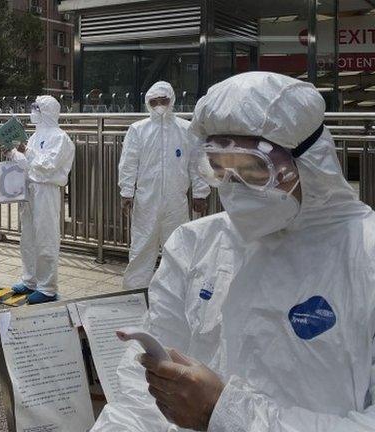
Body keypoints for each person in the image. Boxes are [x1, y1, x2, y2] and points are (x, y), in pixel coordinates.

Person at [91, 71, 375, 431]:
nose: (235, 189)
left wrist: (223, 414)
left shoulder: (364, 256)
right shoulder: (194, 245)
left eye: (255, 170)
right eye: (219, 169)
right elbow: (141, 394)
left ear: (310, 161)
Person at [118, 81, 210, 291]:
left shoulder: (186, 128)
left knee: (178, 246)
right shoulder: (138, 130)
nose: (159, 105)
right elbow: (129, 162)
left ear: (172, 100)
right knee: (141, 245)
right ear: (148, 103)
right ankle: (135, 290)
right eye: (154, 101)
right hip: (145, 199)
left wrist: (201, 193)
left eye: (164, 100)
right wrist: (126, 191)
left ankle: (177, 290)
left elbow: (196, 163)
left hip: (176, 199)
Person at [7, 95, 74, 305]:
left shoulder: (61, 137)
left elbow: (49, 164)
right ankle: (30, 280)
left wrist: (26, 151)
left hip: (47, 190)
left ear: (46, 112)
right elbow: (28, 161)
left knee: (46, 237)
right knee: (28, 237)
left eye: (36, 108)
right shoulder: (35, 136)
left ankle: (47, 287)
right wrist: (13, 154)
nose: (32, 112)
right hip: (30, 188)